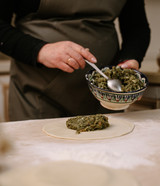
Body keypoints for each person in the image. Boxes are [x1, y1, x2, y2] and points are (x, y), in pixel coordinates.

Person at [0, 0, 150, 121]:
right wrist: (40, 50)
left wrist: (131, 59)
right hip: (38, 94)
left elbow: (137, 27)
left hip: (105, 96)